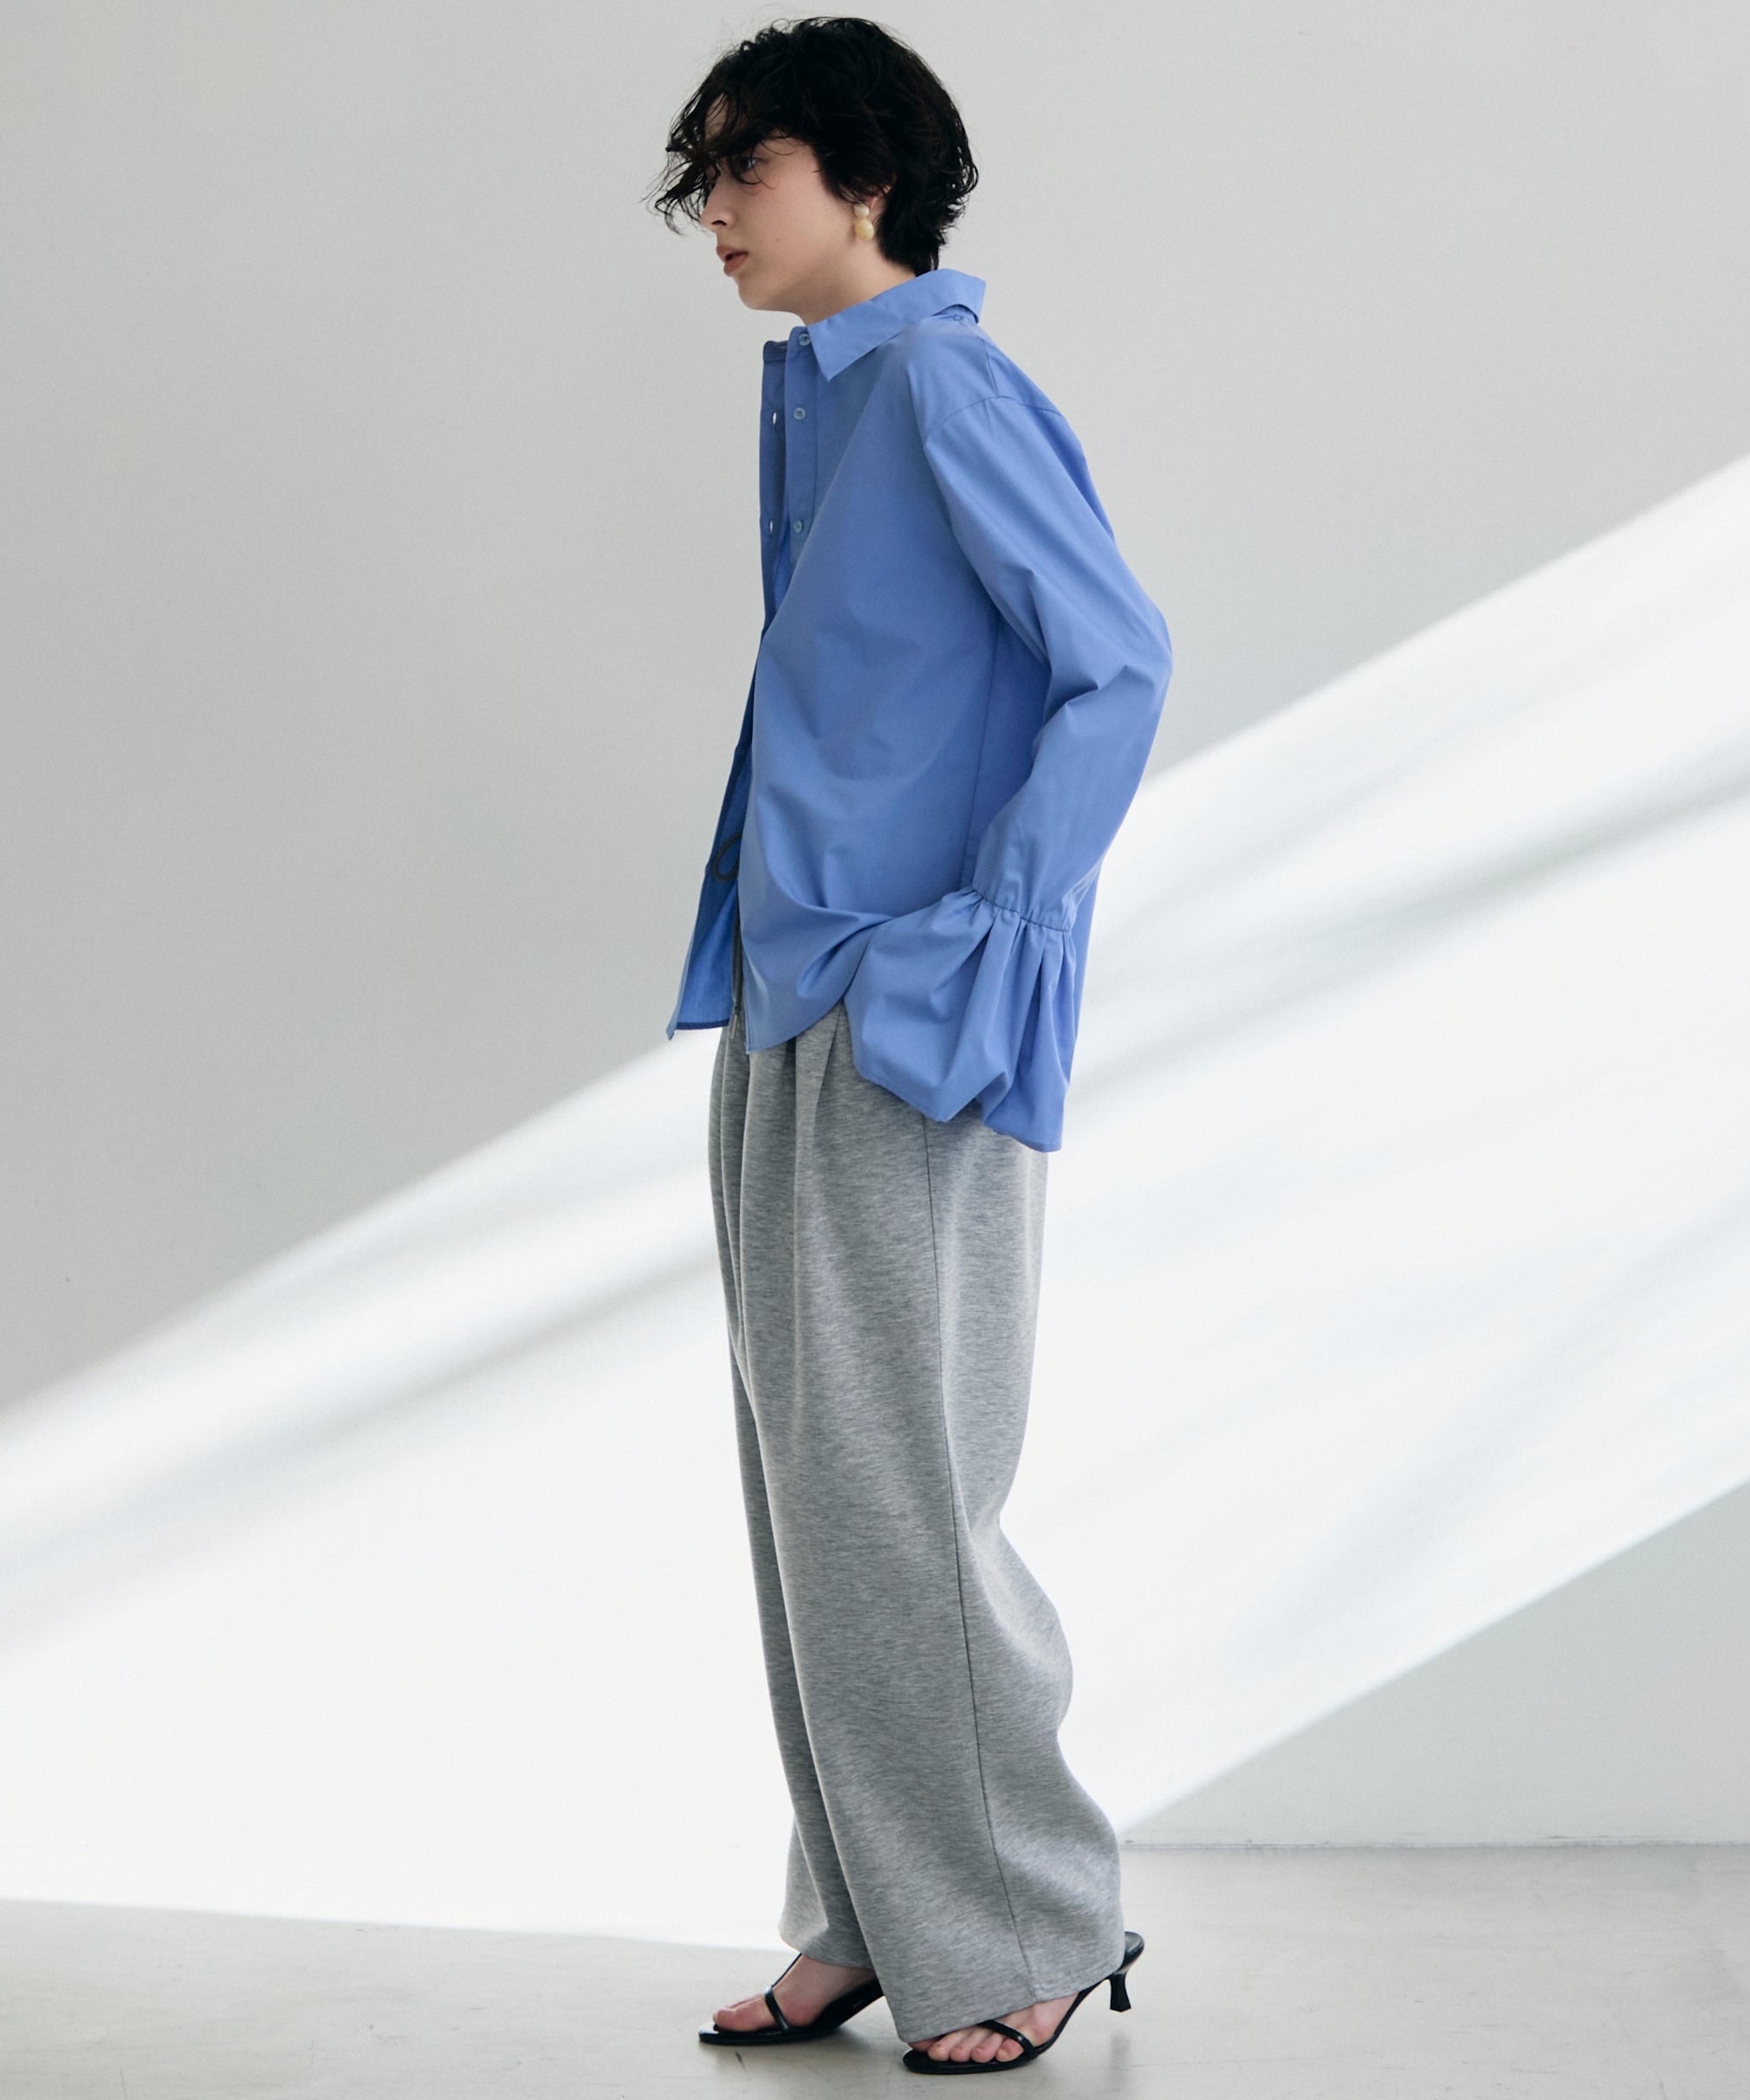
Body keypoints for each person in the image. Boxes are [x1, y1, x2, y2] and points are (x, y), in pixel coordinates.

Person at [649, 16, 1171, 2075]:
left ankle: (1027, 1918)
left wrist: (988, 937)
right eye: (699, 175)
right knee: (814, 1486)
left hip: (904, 1004)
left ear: (862, 174)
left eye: (744, 167)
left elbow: (1113, 662)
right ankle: (871, 1907)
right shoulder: (822, 396)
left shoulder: (943, 383)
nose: (711, 210)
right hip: (790, 994)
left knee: (900, 1485)